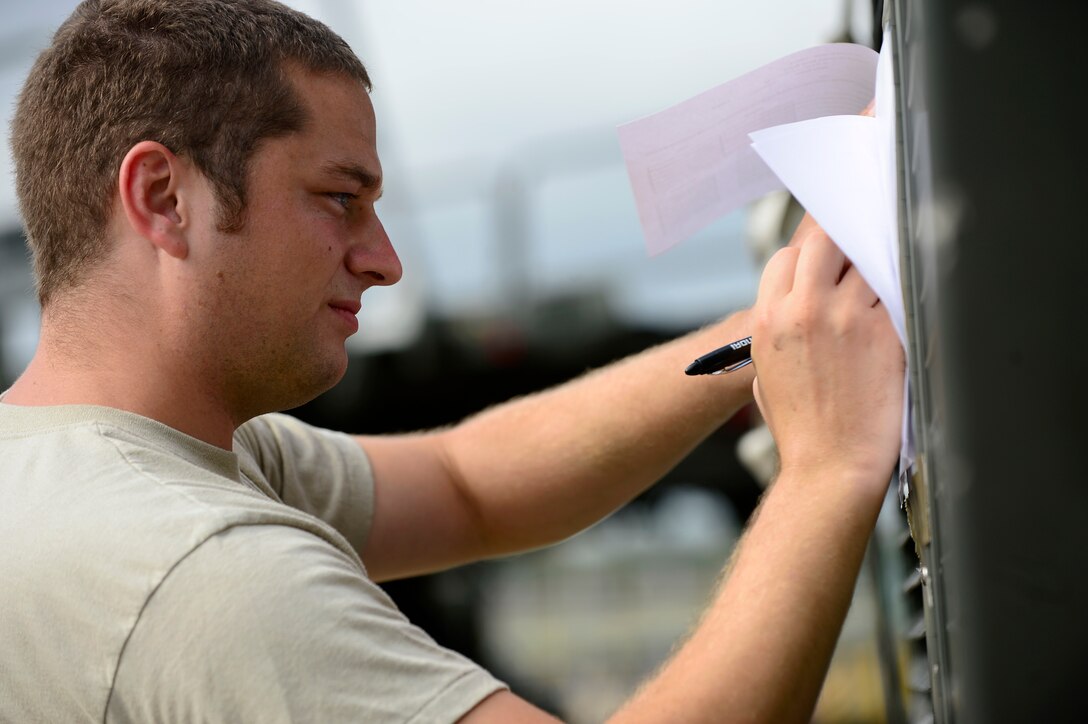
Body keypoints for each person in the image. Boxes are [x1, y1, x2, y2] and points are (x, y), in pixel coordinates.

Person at [0, 1, 904, 722]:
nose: (384, 259)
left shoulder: (98, 469)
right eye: (339, 199)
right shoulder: (194, 569)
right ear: (162, 197)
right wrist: (826, 470)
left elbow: (468, 482)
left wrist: (779, 324)